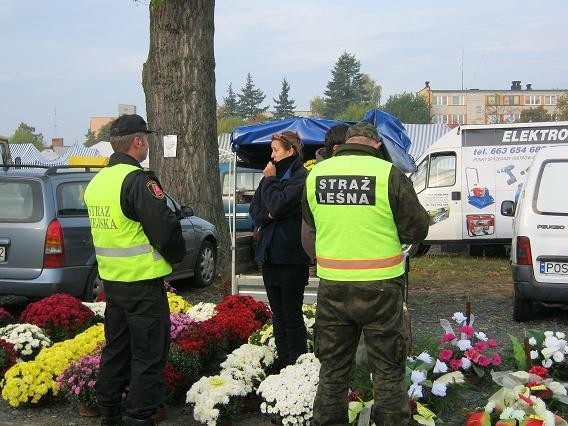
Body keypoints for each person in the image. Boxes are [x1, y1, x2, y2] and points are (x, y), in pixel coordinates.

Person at [303, 122, 429, 425]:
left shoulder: (316, 175)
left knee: (333, 370)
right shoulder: (388, 174)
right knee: (387, 369)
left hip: (333, 285)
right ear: (376, 146)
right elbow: (417, 228)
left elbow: (312, 221)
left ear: (344, 144)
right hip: (381, 286)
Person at [84, 114, 185, 426]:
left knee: (117, 350)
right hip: (142, 283)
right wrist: (176, 258)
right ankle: (139, 417)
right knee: (148, 355)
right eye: (146, 139)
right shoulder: (138, 181)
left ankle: (109, 412)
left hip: (113, 284)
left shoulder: (97, 182)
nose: (148, 144)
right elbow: (165, 230)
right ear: (138, 141)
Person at [249, 130, 311, 370]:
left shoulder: (300, 177)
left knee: (291, 313)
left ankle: (297, 362)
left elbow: (279, 204)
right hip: (269, 255)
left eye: (275, 150)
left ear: (290, 151)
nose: (272, 155)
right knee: (277, 313)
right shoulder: (270, 176)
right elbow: (257, 210)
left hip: (291, 257)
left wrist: (271, 184)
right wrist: (269, 215)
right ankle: (283, 358)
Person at [301, 123, 350, 260]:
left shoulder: (315, 173)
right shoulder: (314, 175)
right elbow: (308, 227)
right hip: (329, 262)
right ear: (337, 148)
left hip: (331, 263)